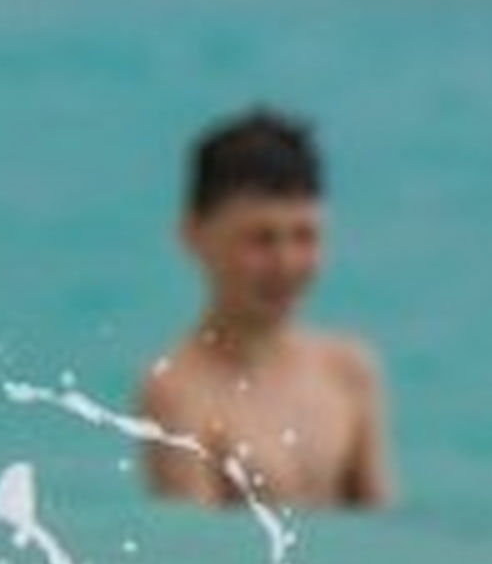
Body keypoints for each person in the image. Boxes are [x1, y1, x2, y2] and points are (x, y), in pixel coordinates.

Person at [139, 108, 395, 509]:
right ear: (193, 235)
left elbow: (384, 531)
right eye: (260, 239)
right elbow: (191, 559)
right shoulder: (179, 392)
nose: (285, 264)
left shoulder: (349, 371)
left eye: (304, 236)